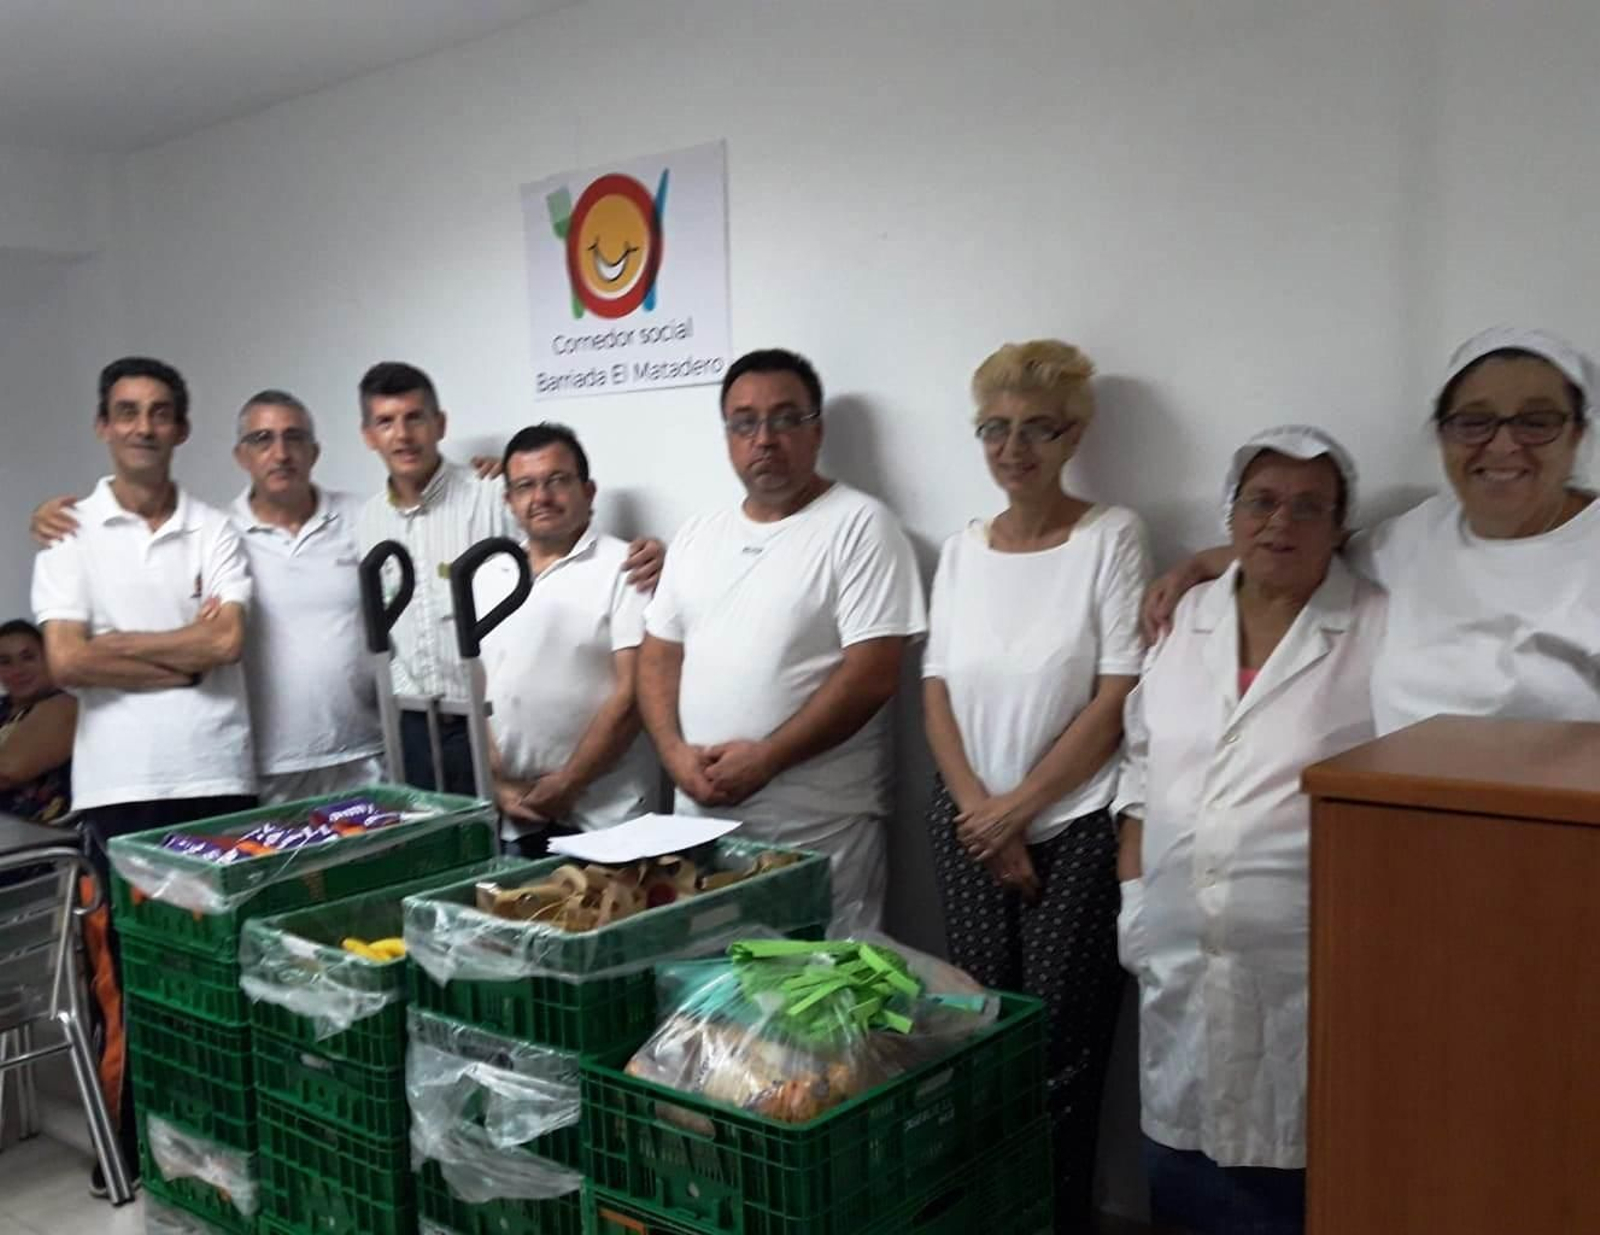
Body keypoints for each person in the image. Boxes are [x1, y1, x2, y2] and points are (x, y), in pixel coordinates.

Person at [1115, 427, 1385, 1235]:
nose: (1281, 522)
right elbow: (1140, 767)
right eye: (1262, 501)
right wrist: (1134, 902)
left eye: (1309, 507)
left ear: (1340, 527)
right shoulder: (1182, 618)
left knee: (1288, 1182)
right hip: (1176, 957)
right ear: (1230, 514)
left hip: (1307, 969)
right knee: (1181, 1177)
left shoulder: (1377, 625)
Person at [921, 340, 1150, 1229]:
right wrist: (983, 817)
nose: (1013, 449)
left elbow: (1118, 691)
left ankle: (1058, 1219)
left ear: (1074, 435)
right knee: (979, 1040)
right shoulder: (961, 549)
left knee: (1060, 1045)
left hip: (1079, 824)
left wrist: (1018, 811)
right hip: (968, 821)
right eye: (994, 429)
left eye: (1037, 429)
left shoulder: (1111, 536)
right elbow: (936, 691)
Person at [31, 357, 256, 1191]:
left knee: (221, 969)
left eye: (160, 411)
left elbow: (226, 642)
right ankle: (126, 1145)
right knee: (125, 979)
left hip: (218, 775)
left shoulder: (214, 527)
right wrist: (177, 655)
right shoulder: (69, 533)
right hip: (120, 791)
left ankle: (222, 1146)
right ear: (104, 425)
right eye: (127, 411)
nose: (144, 426)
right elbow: (64, 660)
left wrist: (116, 644)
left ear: (181, 428)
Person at [1146, 326, 1600, 732]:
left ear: (1577, 433)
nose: (1503, 445)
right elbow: (1306, 545)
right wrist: (1198, 565)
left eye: (1537, 422)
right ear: (1443, 435)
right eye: (1473, 423)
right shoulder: (1417, 535)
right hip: (1392, 798)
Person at [638, 348, 925, 930]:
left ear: (817, 430)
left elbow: (872, 674)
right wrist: (673, 755)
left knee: (820, 979)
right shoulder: (698, 534)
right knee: (709, 979)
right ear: (728, 436)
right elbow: (658, 656)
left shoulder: (861, 526)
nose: (764, 439)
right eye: (745, 423)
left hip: (816, 831)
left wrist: (766, 759)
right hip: (701, 827)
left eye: (785, 418)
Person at [30, 391, 385, 803]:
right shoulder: (218, 533)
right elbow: (201, 641)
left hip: (366, 753)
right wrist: (44, 517)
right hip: (263, 767)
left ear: (315, 451)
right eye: (262, 439)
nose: (280, 453)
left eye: (294, 437)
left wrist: (116, 643)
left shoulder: (363, 517)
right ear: (241, 456)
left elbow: (220, 641)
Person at [355, 361, 662, 795]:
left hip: (485, 724)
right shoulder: (367, 520)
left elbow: (560, 539)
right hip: (414, 722)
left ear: (439, 423)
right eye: (386, 422)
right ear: (368, 435)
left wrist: (653, 551)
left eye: (415, 418)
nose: (402, 435)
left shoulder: (488, 493)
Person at [475, 423, 658, 855]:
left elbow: (634, 696)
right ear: (509, 501)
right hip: (516, 812)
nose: (541, 497)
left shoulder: (627, 567)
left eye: (557, 480)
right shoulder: (488, 573)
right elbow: (477, 686)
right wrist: (497, 782)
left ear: (588, 491)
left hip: (608, 813)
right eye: (525, 485)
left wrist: (570, 782)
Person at [0, 618, 75, 823]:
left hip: (42, 833)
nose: (18, 670)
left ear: (48, 658)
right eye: (5, 662)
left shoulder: (65, 705)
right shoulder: (3, 708)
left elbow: (7, 771)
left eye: (28, 657)